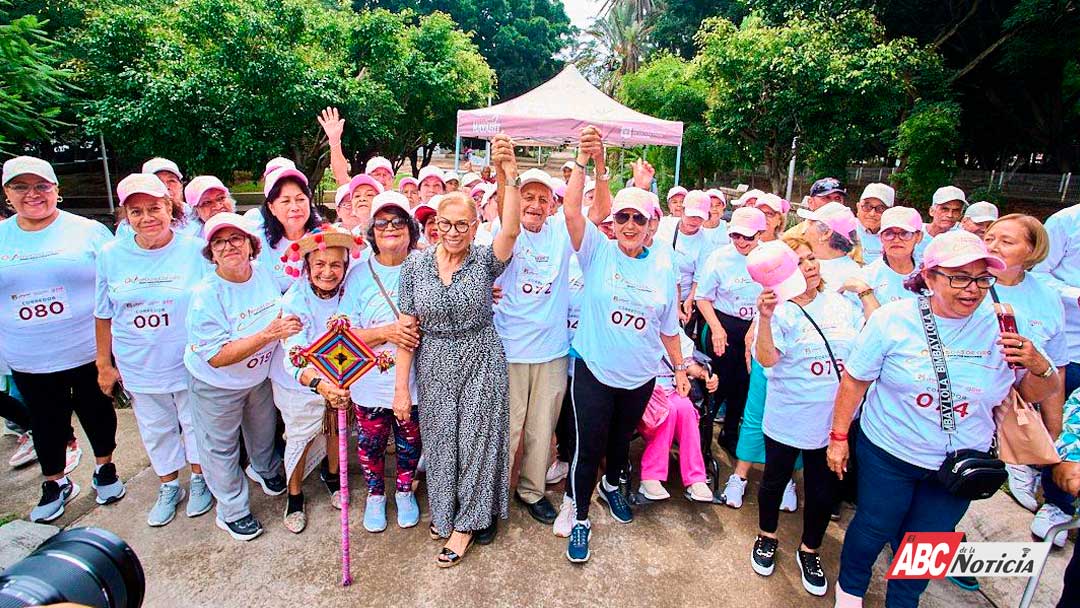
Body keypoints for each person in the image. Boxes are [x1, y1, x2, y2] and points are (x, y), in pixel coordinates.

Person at [828, 230, 1061, 607]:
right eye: (959, 278)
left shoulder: (1004, 324)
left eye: (982, 279)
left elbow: (1027, 395)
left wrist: (1038, 366)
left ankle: (904, 601)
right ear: (930, 277)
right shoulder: (892, 320)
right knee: (873, 527)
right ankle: (850, 591)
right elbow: (855, 380)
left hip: (960, 465)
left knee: (928, 542)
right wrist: (839, 437)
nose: (972, 289)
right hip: (890, 453)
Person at [392, 134, 521, 567]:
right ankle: (444, 512)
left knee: (477, 440)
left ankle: (467, 524)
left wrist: (510, 177)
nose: (451, 232)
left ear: (473, 226)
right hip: (434, 360)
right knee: (442, 441)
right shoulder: (414, 265)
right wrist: (399, 390)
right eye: (444, 224)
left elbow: (511, 228)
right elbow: (408, 331)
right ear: (432, 225)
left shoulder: (485, 259)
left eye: (462, 224)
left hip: (481, 354)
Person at [561, 141, 689, 563]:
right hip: (595, 370)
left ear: (652, 224)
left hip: (640, 375)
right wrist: (586, 162)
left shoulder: (663, 265)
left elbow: (669, 326)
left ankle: (612, 486)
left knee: (620, 443)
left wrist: (681, 369)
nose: (630, 225)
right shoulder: (597, 251)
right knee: (588, 446)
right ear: (613, 222)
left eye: (639, 218)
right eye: (623, 217)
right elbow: (573, 212)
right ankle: (580, 517)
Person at [0, 156, 126, 523]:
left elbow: (113, 281)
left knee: (97, 410)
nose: (32, 194)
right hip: (28, 353)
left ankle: (106, 468)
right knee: (45, 421)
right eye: (21, 187)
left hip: (86, 348)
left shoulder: (87, 231)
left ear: (57, 189)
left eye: (41, 186)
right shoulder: (2, 236)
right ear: (8, 193)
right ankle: (55, 481)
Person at [750, 236, 873, 596]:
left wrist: (864, 292)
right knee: (774, 480)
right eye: (801, 262)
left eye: (812, 258)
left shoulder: (840, 304)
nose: (811, 266)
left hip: (833, 422)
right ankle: (767, 536)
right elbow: (767, 359)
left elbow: (876, 334)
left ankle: (810, 550)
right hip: (788, 416)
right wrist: (766, 319)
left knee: (822, 490)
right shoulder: (779, 309)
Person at [94, 174, 211, 527]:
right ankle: (168, 485)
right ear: (126, 215)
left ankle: (200, 479)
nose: (147, 218)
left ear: (170, 208)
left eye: (154, 209)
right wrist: (104, 363)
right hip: (138, 360)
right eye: (136, 211)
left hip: (187, 357)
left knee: (194, 423)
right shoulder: (111, 255)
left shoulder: (194, 249)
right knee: (155, 426)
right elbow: (103, 313)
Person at [493, 161, 604, 528]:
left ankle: (532, 492)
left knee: (542, 430)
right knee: (506, 429)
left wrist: (586, 164)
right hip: (509, 349)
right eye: (528, 197)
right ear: (515, 200)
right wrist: (503, 167)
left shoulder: (559, 232)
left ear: (552, 206)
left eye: (543, 198)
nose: (536, 205)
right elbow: (502, 210)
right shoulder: (504, 229)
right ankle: (493, 497)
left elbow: (595, 211)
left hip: (552, 352)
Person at [184, 212, 295, 541]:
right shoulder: (207, 294)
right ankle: (232, 510)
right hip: (215, 385)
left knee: (262, 434)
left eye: (236, 239)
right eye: (219, 242)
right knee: (220, 448)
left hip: (257, 377)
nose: (228, 246)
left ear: (251, 245)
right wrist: (267, 335)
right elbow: (217, 357)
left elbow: (295, 292)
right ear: (211, 253)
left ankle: (264, 470)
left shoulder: (265, 274)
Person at [979, 215, 1071, 533]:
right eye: (989, 238)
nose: (993, 246)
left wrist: (1052, 428)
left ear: (1032, 251)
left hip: (1012, 411)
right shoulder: (961, 281)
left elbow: (1055, 364)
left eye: (1006, 241)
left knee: (975, 487)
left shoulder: (1047, 298)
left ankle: (943, 552)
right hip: (958, 410)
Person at [340, 192, 423, 533]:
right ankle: (375, 495)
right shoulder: (358, 275)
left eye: (399, 221)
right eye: (382, 222)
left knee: (409, 442)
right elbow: (344, 335)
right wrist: (388, 331)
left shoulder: (424, 268)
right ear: (371, 232)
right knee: (371, 444)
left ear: (410, 229)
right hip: (370, 383)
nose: (390, 228)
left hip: (415, 381)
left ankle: (404, 491)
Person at [275, 225, 366, 533]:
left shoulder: (348, 291)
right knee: (300, 440)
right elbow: (295, 354)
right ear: (308, 266)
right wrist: (320, 384)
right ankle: (295, 494)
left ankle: (332, 475)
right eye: (320, 264)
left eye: (336, 265)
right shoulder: (294, 300)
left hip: (341, 379)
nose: (328, 272)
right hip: (301, 384)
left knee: (336, 431)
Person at [695, 207, 768, 504]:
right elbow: (703, 297)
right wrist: (716, 329)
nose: (741, 241)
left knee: (744, 385)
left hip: (754, 325)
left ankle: (731, 432)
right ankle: (703, 439)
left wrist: (754, 328)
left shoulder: (767, 257)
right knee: (717, 384)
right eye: (736, 235)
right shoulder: (720, 257)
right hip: (722, 322)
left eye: (748, 237)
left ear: (760, 235)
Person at [638, 330, 718, 502]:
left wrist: (705, 375)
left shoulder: (674, 330)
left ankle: (696, 478)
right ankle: (650, 475)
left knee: (686, 409)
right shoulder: (639, 326)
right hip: (643, 389)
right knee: (668, 411)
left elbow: (687, 362)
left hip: (673, 387)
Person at [256, 167, 320, 293]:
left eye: (300, 199)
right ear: (272, 207)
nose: (295, 207)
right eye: (285, 201)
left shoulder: (324, 238)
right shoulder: (259, 245)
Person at [855, 206, 924, 306]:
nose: (896, 240)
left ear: (918, 237)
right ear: (881, 238)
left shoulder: (930, 275)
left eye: (905, 234)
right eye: (889, 234)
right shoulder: (866, 278)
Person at [796, 201, 863, 290]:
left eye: (810, 223)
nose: (803, 229)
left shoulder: (852, 278)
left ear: (826, 233)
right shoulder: (854, 271)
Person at [854, 183, 894, 261]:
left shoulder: (898, 237)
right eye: (867, 206)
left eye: (881, 208)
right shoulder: (843, 231)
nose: (872, 214)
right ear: (858, 207)